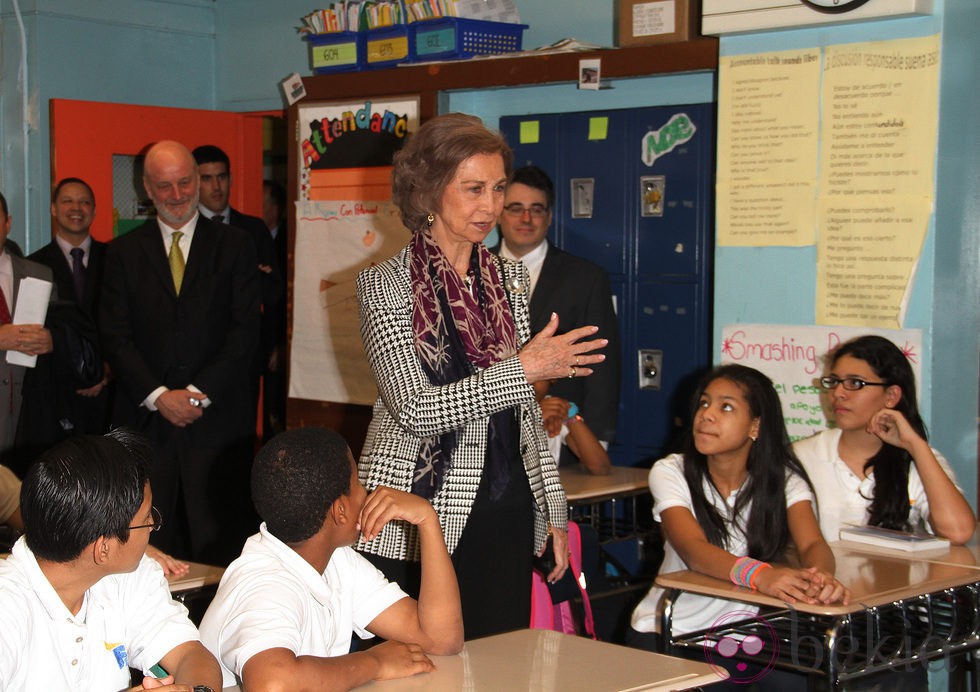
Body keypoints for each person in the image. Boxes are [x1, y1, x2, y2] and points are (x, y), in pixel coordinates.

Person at [355, 113, 607, 639]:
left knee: (501, 661)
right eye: (473, 189)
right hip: (416, 509)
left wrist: (552, 509)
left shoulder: (509, 277)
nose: (490, 207)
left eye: (497, 188)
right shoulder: (384, 285)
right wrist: (525, 368)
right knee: (425, 667)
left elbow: (525, 415)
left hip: (506, 500)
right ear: (427, 192)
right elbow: (416, 408)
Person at [629, 365, 848, 689]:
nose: (707, 415)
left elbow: (812, 545)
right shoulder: (671, 471)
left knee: (802, 681)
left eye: (726, 407)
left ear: (756, 426)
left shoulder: (784, 479)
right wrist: (761, 575)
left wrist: (821, 578)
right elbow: (695, 551)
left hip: (742, 634)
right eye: (704, 403)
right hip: (671, 631)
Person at [200, 427, 463, 689]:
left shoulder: (337, 562)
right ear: (340, 511)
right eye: (358, 483)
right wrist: (374, 662)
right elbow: (273, 684)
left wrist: (427, 520)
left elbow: (440, 640)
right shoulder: (266, 584)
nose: (368, 491)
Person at [99, 140, 260, 565]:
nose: (176, 195)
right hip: (145, 423)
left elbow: (245, 331)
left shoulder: (236, 245)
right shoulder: (121, 253)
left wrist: (196, 392)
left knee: (224, 543)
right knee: (145, 546)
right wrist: (158, 395)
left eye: (184, 182)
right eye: (164, 186)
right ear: (148, 190)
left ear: (197, 180)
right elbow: (114, 335)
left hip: (218, 421)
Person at [0, 428, 222, 691]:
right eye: (146, 519)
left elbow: (190, 653)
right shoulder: (8, 605)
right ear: (103, 548)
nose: (152, 526)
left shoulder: (128, 577)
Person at [494, 164, 621, 458]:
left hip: (559, 435)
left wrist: (597, 440)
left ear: (549, 217)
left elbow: (603, 364)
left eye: (536, 209)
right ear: (499, 214)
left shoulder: (586, 278)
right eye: (515, 208)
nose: (526, 218)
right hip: (487, 433)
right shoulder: (468, 273)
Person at [796, 335, 974, 545]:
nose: (838, 393)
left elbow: (958, 532)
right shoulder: (801, 456)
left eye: (855, 383)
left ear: (891, 395)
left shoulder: (919, 459)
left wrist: (915, 445)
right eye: (834, 381)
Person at [192, 145, 283, 439]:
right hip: (198, 359)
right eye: (207, 179)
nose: (216, 187)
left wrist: (275, 344)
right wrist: (248, 277)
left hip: (247, 356)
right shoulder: (187, 230)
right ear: (194, 182)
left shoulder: (253, 229)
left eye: (221, 177)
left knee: (241, 439)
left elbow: (274, 291)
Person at [25, 177, 110, 438]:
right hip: (54, 395)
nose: (77, 208)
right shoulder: (31, 266)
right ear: (53, 209)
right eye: (67, 201)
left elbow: (130, 322)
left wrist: (106, 371)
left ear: (94, 211)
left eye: (84, 202)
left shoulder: (118, 260)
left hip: (109, 394)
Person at [0, 191, 55, 462]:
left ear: (7, 223)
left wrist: (51, 340)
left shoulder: (40, 273)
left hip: (30, 412)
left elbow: (68, 333)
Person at [534, 379, 611, 475]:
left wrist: (569, 414)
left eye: (539, 373)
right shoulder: (510, 410)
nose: (528, 380)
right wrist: (531, 418)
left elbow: (600, 467)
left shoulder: (552, 409)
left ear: (552, 378)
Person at [261, 179, 287, 440]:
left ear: (276, 208)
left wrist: (283, 342)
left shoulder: (289, 240)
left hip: (280, 340)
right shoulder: (251, 236)